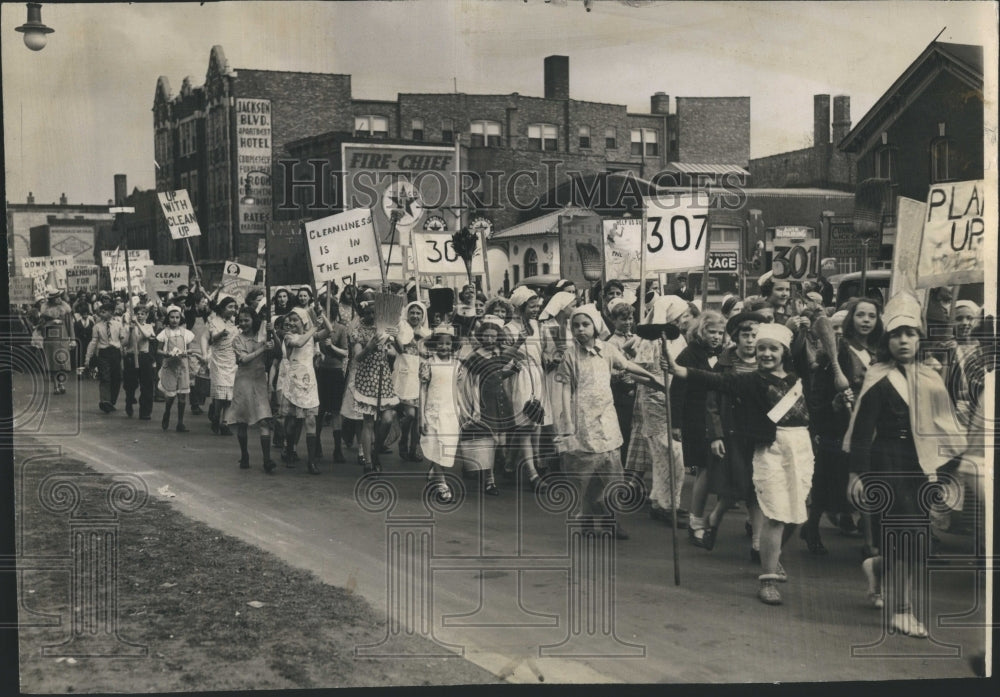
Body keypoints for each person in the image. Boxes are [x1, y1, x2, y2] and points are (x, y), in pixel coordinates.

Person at [844, 292, 969, 636]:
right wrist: (856, 475)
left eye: (910, 334)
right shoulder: (878, 377)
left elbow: (944, 428)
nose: (903, 340)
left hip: (921, 468)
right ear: (887, 339)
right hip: (887, 465)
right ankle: (902, 610)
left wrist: (946, 475)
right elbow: (861, 432)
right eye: (896, 334)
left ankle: (876, 568)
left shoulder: (930, 377)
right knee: (906, 540)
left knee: (914, 540)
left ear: (919, 338)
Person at [664, 322, 814, 606]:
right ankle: (768, 578)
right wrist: (681, 371)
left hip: (801, 450)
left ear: (784, 351)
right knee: (775, 515)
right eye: (761, 349)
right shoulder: (753, 380)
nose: (766, 354)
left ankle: (773, 555)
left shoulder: (796, 378)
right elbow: (718, 381)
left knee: (796, 513)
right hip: (769, 449)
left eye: (773, 348)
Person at [555, 304, 665, 539]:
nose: (580, 329)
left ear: (595, 326)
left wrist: (651, 376)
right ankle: (585, 518)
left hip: (606, 417)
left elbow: (626, 365)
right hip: (581, 418)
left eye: (585, 324)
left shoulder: (607, 350)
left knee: (611, 471)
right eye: (575, 325)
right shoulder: (570, 355)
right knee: (586, 472)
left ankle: (609, 519)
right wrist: (569, 424)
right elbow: (565, 390)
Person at [705, 310, 768, 558]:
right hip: (731, 433)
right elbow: (711, 403)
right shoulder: (723, 364)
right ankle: (713, 521)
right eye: (746, 334)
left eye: (755, 335)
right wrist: (716, 435)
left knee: (756, 491)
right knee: (731, 491)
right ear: (736, 337)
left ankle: (757, 543)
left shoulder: (767, 362)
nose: (751, 340)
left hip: (757, 434)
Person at [627, 294, 691, 527]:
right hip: (654, 403)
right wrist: (657, 382)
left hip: (674, 402)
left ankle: (662, 501)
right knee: (670, 455)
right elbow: (634, 372)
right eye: (681, 315)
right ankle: (665, 504)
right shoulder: (650, 341)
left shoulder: (680, 339)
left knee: (670, 456)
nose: (684, 320)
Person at [671, 310, 727, 547]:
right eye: (711, 332)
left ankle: (710, 519)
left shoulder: (724, 355)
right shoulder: (689, 354)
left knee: (720, 469)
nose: (716, 337)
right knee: (704, 468)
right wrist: (675, 423)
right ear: (700, 331)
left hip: (719, 419)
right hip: (695, 417)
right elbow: (678, 390)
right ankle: (696, 522)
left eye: (720, 333)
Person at [456, 315, 521, 496]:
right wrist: (476, 409)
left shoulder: (499, 354)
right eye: (486, 336)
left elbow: (497, 376)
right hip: (485, 404)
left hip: (500, 401)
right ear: (481, 337)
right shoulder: (476, 356)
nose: (490, 339)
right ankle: (489, 481)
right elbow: (473, 384)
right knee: (488, 442)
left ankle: (480, 467)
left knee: (499, 441)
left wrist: (512, 371)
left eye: (493, 336)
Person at [503, 286, 550, 492]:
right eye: (532, 306)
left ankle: (510, 464)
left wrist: (548, 356)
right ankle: (533, 474)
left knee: (535, 422)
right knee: (524, 427)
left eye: (537, 306)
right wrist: (519, 341)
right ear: (521, 307)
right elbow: (504, 356)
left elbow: (541, 349)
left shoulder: (536, 325)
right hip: (519, 376)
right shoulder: (508, 329)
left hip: (537, 376)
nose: (536, 310)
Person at [349, 299, 399, 473]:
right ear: (363, 314)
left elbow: (394, 351)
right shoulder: (358, 331)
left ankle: (376, 451)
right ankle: (369, 462)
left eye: (374, 313)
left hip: (383, 376)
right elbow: (357, 357)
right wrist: (369, 346)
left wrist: (390, 342)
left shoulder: (383, 328)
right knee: (368, 421)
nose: (371, 316)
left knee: (387, 419)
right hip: (366, 377)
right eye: (368, 313)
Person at [280, 306, 331, 475]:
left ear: (303, 322)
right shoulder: (289, 336)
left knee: (310, 420)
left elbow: (329, 330)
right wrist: (315, 327)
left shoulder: (312, 336)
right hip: (294, 380)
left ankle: (311, 461)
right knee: (292, 421)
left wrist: (321, 315)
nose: (291, 323)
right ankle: (289, 450)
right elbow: (299, 342)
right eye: (290, 320)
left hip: (309, 381)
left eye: (295, 320)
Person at [228, 306, 277, 472]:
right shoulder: (237, 340)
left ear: (253, 320)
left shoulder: (263, 335)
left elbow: (277, 351)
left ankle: (267, 459)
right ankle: (244, 454)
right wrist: (263, 348)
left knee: (264, 419)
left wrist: (273, 334)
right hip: (243, 381)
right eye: (241, 320)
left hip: (259, 380)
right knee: (242, 421)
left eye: (246, 320)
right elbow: (243, 359)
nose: (243, 323)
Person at [420, 325, 461, 501]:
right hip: (433, 411)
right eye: (440, 344)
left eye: (447, 343)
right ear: (435, 345)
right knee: (436, 445)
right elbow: (422, 390)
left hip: (451, 411)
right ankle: (442, 484)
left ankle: (434, 472)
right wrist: (421, 416)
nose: (444, 347)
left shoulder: (457, 365)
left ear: (452, 345)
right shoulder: (429, 363)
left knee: (446, 447)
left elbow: (458, 390)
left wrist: (463, 411)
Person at [314, 301, 351, 464]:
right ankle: (316, 443)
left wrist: (332, 347)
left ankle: (337, 448)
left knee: (335, 411)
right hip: (321, 371)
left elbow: (345, 352)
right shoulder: (317, 329)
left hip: (336, 372)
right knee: (319, 410)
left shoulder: (341, 329)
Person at [394, 301, 430, 463]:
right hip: (404, 374)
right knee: (410, 414)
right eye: (412, 312)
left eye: (418, 313)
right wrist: (397, 336)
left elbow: (429, 354)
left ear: (423, 316)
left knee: (418, 418)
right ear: (407, 314)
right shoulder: (401, 328)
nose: (415, 316)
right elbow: (400, 349)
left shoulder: (427, 332)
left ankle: (413, 448)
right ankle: (403, 440)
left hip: (420, 375)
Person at [156, 305, 196, 432]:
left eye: (177, 317)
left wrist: (185, 352)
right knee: (171, 395)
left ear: (181, 318)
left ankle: (180, 422)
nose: (174, 320)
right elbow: (158, 349)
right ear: (168, 318)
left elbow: (190, 349)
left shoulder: (186, 333)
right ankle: (167, 412)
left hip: (182, 365)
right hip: (170, 365)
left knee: (182, 396)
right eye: (172, 317)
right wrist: (167, 353)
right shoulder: (164, 333)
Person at [207, 294, 239, 435]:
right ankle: (216, 416)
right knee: (220, 395)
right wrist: (221, 333)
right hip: (218, 360)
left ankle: (225, 423)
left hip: (232, 360)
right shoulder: (215, 321)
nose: (233, 310)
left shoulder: (234, 321)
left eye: (234, 307)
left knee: (230, 395)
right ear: (223, 308)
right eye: (230, 307)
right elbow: (212, 337)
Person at [85, 302, 124, 413]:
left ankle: (112, 401)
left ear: (111, 312)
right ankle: (104, 401)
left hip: (116, 353)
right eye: (100, 312)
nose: (101, 314)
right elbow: (93, 342)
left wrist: (127, 333)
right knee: (105, 376)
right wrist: (88, 357)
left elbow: (123, 340)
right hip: (103, 353)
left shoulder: (118, 324)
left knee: (116, 378)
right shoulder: (97, 326)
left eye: (103, 312)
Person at [121, 304, 156, 420]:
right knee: (130, 384)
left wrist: (137, 325)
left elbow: (147, 337)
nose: (140, 316)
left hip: (144, 357)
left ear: (147, 315)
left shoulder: (149, 327)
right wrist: (131, 330)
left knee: (147, 384)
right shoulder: (128, 327)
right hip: (131, 357)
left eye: (143, 314)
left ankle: (145, 411)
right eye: (138, 314)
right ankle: (129, 401)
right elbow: (124, 343)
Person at [39, 287, 74, 395]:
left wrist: (72, 339)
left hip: (63, 339)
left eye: (59, 296)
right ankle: (55, 386)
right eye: (56, 297)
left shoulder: (65, 309)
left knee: (62, 363)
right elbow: (41, 326)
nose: (59, 299)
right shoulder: (45, 311)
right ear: (51, 299)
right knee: (53, 364)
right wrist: (52, 322)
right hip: (50, 340)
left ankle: (61, 383)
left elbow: (70, 325)